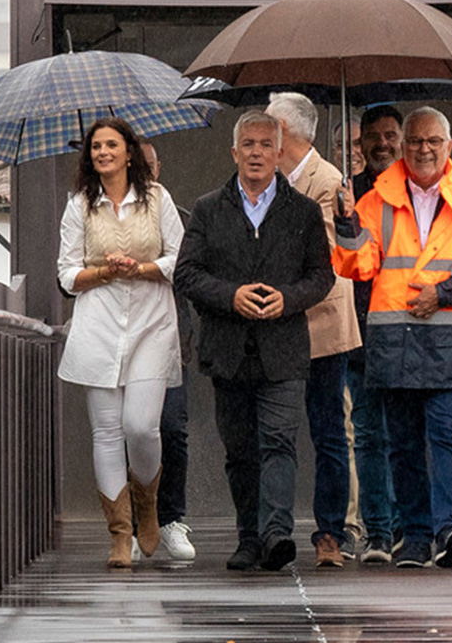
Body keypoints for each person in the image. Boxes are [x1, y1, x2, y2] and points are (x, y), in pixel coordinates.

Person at [333, 106, 452, 569]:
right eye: (415, 142)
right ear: (404, 148)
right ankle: (414, 536)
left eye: (433, 141)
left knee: (447, 433)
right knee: (404, 442)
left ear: (449, 147)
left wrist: (445, 292)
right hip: (396, 341)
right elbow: (356, 266)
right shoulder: (372, 200)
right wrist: (346, 224)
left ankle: (448, 527)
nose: (423, 149)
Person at [173, 110, 334, 572]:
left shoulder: (303, 211)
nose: (257, 153)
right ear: (234, 152)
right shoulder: (207, 208)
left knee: (279, 441)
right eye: (249, 144)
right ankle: (249, 537)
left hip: (283, 349)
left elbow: (322, 277)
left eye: (266, 144)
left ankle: (277, 533)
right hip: (228, 349)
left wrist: (287, 299)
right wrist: (231, 296)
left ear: (279, 152)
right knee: (241, 450)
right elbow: (187, 274)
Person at [56, 117, 185, 569]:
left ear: (129, 152)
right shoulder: (79, 205)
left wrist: (140, 268)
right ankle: (119, 533)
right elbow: (67, 275)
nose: (103, 153)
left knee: (140, 426)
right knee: (106, 432)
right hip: (98, 324)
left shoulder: (157, 199)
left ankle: (147, 502)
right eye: (96, 147)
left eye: (111, 145)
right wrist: (106, 272)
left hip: (151, 321)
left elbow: (178, 260)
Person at [264, 92, 363, 567]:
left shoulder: (328, 181)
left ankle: (331, 532)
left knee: (328, 431)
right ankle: (271, 527)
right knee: (275, 430)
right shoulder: (264, 180)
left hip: (322, 322)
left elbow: (322, 256)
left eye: (269, 128)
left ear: (287, 131)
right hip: (277, 326)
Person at [346, 103, 402, 562]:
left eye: (390, 135)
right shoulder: (349, 195)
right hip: (361, 331)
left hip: (408, 332)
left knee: (405, 431)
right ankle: (378, 532)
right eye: (374, 136)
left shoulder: (418, 193)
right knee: (367, 433)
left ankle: (409, 527)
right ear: (360, 143)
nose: (382, 144)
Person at [141, 140, 198, 562]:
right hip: (120, 339)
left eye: (148, 164)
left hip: (169, 341)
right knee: (127, 432)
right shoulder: (100, 214)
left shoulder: (182, 221)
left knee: (172, 429)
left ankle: (170, 518)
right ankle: (130, 521)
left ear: (158, 168)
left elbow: (190, 276)